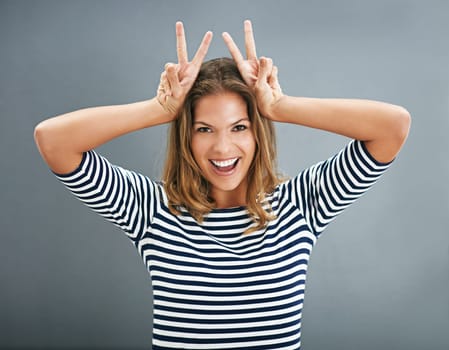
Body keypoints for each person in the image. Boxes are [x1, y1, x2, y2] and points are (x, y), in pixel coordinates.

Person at [34, 20, 410, 350]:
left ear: (257, 133)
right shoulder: (150, 209)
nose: (222, 147)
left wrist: (280, 107)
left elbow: (392, 127)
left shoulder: (301, 205)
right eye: (204, 129)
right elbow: (53, 141)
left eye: (239, 127)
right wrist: (159, 110)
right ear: (187, 136)